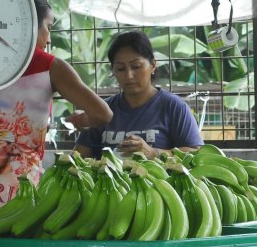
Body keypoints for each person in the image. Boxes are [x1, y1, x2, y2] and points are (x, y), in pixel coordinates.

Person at [0, 0, 112, 222]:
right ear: (30, 24)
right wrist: (83, 120)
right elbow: (103, 113)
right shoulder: (50, 66)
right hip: (18, 189)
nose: (49, 38)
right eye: (48, 27)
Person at [74, 30, 203, 159]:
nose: (129, 76)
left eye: (136, 66)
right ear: (113, 71)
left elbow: (196, 153)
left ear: (153, 65)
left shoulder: (173, 107)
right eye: (120, 69)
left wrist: (153, 153)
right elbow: (77, 159)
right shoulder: (102, 111)